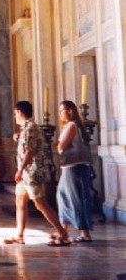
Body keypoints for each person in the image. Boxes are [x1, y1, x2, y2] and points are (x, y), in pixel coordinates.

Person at [3, 100, 70, 246]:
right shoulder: (26, 129)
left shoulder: (30, 128)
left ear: (20, 112)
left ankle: (63, 234)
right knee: (20, 202)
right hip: (25, 174)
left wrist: (20, 170)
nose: (15, 117)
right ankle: (19, 235)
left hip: (31, 173)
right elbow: (26, 141)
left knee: (41, 204)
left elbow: (30, 150)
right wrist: (18, 136)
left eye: (15, 114)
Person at [56, 100, 93, 242]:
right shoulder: (72, 126)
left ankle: (84, 233)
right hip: (71, 166)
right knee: (64, 196)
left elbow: (61, 147)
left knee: (75, 198)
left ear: (70, 111)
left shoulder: (71, 125)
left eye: (62, 110)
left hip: (74, 167)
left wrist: (59, 145)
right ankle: (64, 230)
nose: (60, 114)